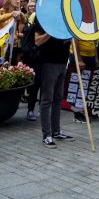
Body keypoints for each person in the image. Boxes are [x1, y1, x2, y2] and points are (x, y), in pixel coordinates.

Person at [33, 14, 73, 147]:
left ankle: (55, 131)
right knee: (47, 98)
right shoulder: (42, 16)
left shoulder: (64, 14)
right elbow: (37, 40)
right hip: (49, 62)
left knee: (58, 98)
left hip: (62, 61)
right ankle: (47, 135)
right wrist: (51, 32)